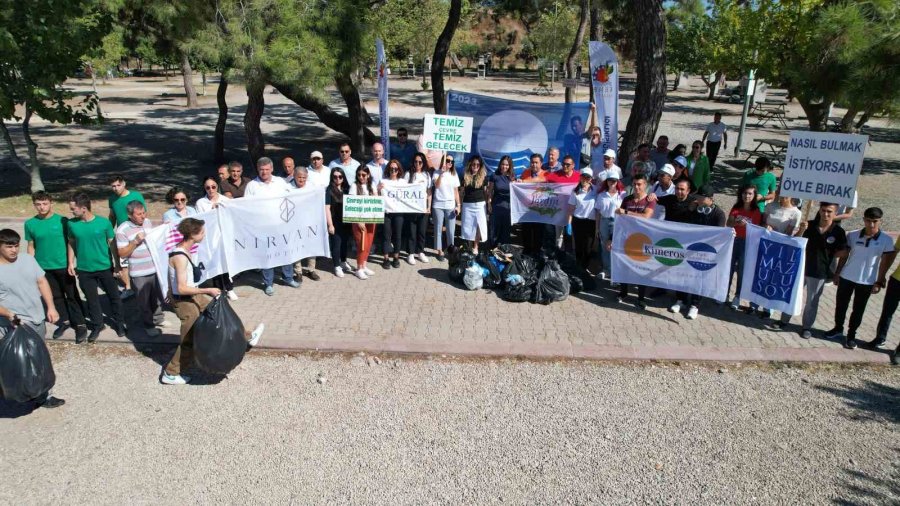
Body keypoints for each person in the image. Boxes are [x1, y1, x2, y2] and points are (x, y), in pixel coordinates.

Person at [161, 218, 264, 385]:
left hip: (191, 297)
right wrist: (207, 290)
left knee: (219, 314)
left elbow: (173, 278)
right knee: (189, 338)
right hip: (185, 302)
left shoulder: (183, 250)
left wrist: (170, 291)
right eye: (202, 232)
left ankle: (247, 336)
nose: (204, 234)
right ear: (193, 234)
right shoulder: (180, 257)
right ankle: (171, 373)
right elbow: (181, 287)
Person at [0, 229, 64, 408]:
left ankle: (44, 395)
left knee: (38, 359)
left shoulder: (27, 260)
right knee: (13, 360)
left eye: (16, 245)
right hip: (11, 324)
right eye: (9, 246)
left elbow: (42, 282)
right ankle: (12, 391)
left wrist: (51, 307)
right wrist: (9, 314)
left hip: (36, 320)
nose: (14, 250)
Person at [825, 207, 896, 350]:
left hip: (867, 281)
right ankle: (838, 328)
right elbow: (844, 256)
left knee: (858, 310)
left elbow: (885, 263)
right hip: (847, 276)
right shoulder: (853, 235)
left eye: (875, 221)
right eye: (868, 221)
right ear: (863, 219)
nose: (871, 224)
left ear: (880, 221)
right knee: (841, 305)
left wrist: (879, 280)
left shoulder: (886, 240)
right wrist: (837, 273)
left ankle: (851, 336)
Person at [24, 191, 87, 341]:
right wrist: (30, 266)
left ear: (51, 203)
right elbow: (31, 245)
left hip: (62, 265)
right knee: (56, 296)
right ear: (34, 205)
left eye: (45, 203)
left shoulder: (63, 221)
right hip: (43, 267)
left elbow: (71, 242)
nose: (42, 207)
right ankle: (64, 321)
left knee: (72, 295)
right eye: (38, 204)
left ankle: (80, 324)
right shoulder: (30, 224)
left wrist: (72, 262)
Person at [67, 193, 125, 341]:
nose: (71, 211)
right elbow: (71, 242)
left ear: (83, 208)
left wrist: (117, 265)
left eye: (73, 209)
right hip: (84, 269)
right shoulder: (72, 224)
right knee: (91, 300)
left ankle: (119, 323)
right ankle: (98, 325)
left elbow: (112, 244)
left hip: (105, 267)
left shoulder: (103, 223)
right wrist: (71, 262)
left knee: (114, 297)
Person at [245, 157, 301, 294]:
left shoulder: (280, 182)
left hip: (281, 224)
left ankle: (288, 278)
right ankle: (268, 283)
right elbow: (246, 206)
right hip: (262, 227)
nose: (264, 172)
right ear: (257, 169)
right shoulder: (252, 185)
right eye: (261, 169)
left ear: (272, 169)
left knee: (285, 252)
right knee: (267, 255)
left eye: (267, 169)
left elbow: (293, 196)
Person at [793, 203, 848, 339]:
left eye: (829, 211)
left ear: (835, 213)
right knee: (793, 295)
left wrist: (837, 272)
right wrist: (801, 230)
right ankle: (783, 320)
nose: (825, 214)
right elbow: (796, 241)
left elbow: (844, 253)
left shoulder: (838, 232)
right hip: (801, 268)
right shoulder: (809, 225)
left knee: (812, 301)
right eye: (823, 210)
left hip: (820, 272)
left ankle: (806, 327)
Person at [116, 201, 164, 337]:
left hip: (154, 269)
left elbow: (158, 228)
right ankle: (148, 325)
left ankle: (158, 319)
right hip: (139, 273)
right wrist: (135, 242)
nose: (143, 216)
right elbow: (122, 253)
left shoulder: (147, 222)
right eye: (139, 214)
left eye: (144, 212)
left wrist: (165, 224)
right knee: (144, 301)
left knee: (157, 298)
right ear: (130, 215)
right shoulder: (122, 230)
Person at [657, 180, 702, 318]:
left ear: (688, 191)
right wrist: (651, 196)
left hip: (689, 243)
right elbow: (655, 199)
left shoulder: (694, 202)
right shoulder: (670, 199)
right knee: (676, 270)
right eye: (677, 188)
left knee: (690, 272)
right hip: (673, 242)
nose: (679, 191)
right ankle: (680, 299)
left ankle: (694, 304)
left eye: (682, 189)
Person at [759, 194, 803, 326]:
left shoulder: (796, 213)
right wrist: (766, 226)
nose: (782, 198)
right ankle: (757, 304)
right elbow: (762, 222)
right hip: (766, 244)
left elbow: (789, 234)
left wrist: (776, 232)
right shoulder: (770, 206)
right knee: (763, 273)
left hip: (780, 248)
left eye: (785, 196)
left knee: (773, 277)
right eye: (781, 194)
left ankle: (769, 307)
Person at [614, 174, 656, 308]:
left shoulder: (649, 200)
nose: (637, 187)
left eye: (640, 184)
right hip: (626, 238)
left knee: (641, 270)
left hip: (643, 240)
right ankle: (623, 293)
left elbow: (646, 217)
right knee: (624, 267)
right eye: (634, 184)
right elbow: (620, 219)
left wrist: (626, 212)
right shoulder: (627, 199)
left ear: (645, 185)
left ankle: (641, 298)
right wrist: (612, 238)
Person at [194, 176, 237, 300]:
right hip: (210, 238)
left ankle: (229, 288)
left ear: (217, 186)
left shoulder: (225, 200)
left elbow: (231, 217)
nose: (211, 190)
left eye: (213, 187)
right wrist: (211, 211)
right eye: (208, 188)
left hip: (223, 236)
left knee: (225, 262)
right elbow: (200, 219)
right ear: (204, 188)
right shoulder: (201, 203)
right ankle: (217, 290)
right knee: (214, 263)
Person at [108, 175, 146, 298]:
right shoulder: (112, 199)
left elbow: (143, 212)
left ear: (124, 184)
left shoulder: (136, 195)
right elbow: (112, 215)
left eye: (118, 185)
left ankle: (143, 283)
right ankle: (128, 288)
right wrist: (109, 229)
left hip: (136, 230)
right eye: (113, 186)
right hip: (122, 233)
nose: (116, 188)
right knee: (123, 260)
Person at [726, 184, 763, 311]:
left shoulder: (756, 211)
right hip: (733, 240)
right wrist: (737, 223)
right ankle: (725, 293)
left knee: (741, 271)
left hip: (747, 243)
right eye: (745, 193)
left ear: (754, 196)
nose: (747, 196)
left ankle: (737, 296)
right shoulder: (736, 207)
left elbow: (756, 229)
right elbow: (728, 223)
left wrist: (747, 226)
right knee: (729, 268)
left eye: (750, 194)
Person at [870, 234, 899, 358]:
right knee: (887, 311)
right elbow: (893, 253)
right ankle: (880, 338)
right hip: (896, 279)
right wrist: (882, 276)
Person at [595, 167, 625, 281]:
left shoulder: (622, 195)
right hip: (604, 221)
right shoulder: (601, 195)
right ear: (606, 182)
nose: (612, 182)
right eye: (609, 180)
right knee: (604, 246)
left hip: (617, 222)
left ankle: (615, 270)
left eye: (614, 180)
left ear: (617, 182)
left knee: (615, 246)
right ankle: (607, 269)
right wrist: (597, 228)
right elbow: (598, 212)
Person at [349, 166, 378, 279]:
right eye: (359, 175)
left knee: (368, 244)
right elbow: (351, 204)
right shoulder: (354, 186)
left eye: (363, 175)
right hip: (359, 220)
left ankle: (364, 265)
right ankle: (359, 268)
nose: (361, 177)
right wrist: (358, 221)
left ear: (368, 175)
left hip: (371, 219)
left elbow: (376, 200)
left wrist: (376, 194)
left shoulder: (372, 185)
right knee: (362, 244)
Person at [567, 168, 598, 270]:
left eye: (587, 177)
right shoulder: (575, 191)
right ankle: (578, 266)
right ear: (580, 177)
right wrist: (569, 223)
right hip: (578, 221)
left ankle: (585, 267)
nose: (585, 179)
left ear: (591, 179)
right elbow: (571, 209)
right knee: (578, 245)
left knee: (588, 247)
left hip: (591, 222)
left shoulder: (596, 190)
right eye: (583, 177)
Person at [432, 155, 461, 262]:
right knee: (438, 228)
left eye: (452, 161)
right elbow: (437, 185)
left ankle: (450, 249)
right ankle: (439, 250)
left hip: (450, 205)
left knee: (451, 229)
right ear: (443, 161)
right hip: (438, 205)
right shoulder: (436, 172)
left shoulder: (454, 174)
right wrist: (441, 173)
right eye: (448, 160)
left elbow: (456, 191)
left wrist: (458, 205)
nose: (450, 163)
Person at [405, 152, 433, 264]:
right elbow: (403, 190)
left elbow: (429, 192)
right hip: (412, 208)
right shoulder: (408, 174)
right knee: (411, 232)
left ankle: (420, 252)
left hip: (423, 208)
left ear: (423, 163)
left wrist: (429, 207)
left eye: (420, 162)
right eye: (416, 161)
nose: (417, 164)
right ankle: (410, 253)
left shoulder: (427, 175)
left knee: (422, 231)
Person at [518, 153, 548, 254]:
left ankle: (536, 255)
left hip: (540, 210)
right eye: (532, 162)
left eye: (536, 162)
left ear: (541, 163)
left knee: (538, 235)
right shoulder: (525, 173)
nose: (534, 165)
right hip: (526, 210)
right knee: (526, 233)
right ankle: (526, 255)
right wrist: (519, 182)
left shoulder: (547, 175)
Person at [378, 159, 406, 269]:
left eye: (395, 168)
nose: (393, 170)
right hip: (386, 212)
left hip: (399, 213)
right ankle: (386, 258)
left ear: (399, 170)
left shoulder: (403, 182)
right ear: (388, 169)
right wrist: (378, 189)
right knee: (386, 235)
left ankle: (396, 257)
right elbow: (377, 196)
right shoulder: (383, 181)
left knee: (398, 235)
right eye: (391, 168)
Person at [325, 168, 353, 278]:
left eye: (340, 176)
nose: (338, 179)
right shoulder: (329, 190)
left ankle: (343, 261)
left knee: (344, 243)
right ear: (332, 178)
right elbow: (327, 208)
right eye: (335, 177)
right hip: (335, 221)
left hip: (346, 221)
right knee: (336, 244)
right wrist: (330, 225)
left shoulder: (347, 189)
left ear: (343, 177)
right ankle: (336, 266)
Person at [460, 156, 489, 255]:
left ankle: (476, 246)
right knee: (467, 226)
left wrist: (488, 203)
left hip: (480, 204)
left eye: (478, 164)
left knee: (478, 226)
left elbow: (486, 192)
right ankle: (468, 247)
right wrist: (459, 204)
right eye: (473, 164)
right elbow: (462, 192)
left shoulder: (484, 177)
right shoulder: (465, 176)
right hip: (467, 204)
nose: (475, 166)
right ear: (470, 165)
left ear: (480, 166)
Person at [487, 155, 513, 248]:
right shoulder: (494, 176)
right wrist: (489, 204)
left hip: (508, 208)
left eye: (507, 165)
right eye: (503, 164)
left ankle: (503, 250)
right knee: (494, 230)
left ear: (510, 166)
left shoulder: (512, 177)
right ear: (500, 164)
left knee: (505, 230)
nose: (504, 166)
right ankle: (493, 249)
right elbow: (490, 191)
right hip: (496, 206)